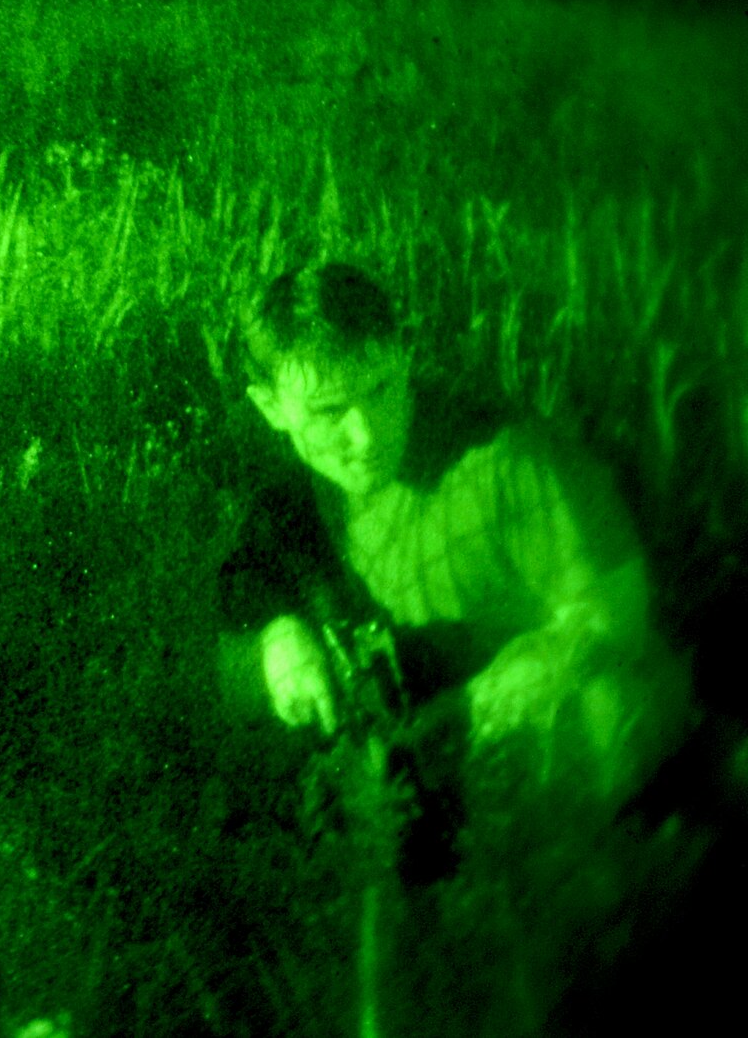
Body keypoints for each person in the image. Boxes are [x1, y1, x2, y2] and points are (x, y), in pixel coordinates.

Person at [212, 261, 692, 1029]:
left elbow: (617, 612)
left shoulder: (507, 457)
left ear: (404, 350)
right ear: (271, 407)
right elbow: (253, 568)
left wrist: (488, 699)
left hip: (545, 738)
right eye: (331, 408)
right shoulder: (295, 486)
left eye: (381, 388)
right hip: (424, 764)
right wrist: (282, 639)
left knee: (607, 720)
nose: (366, 433)